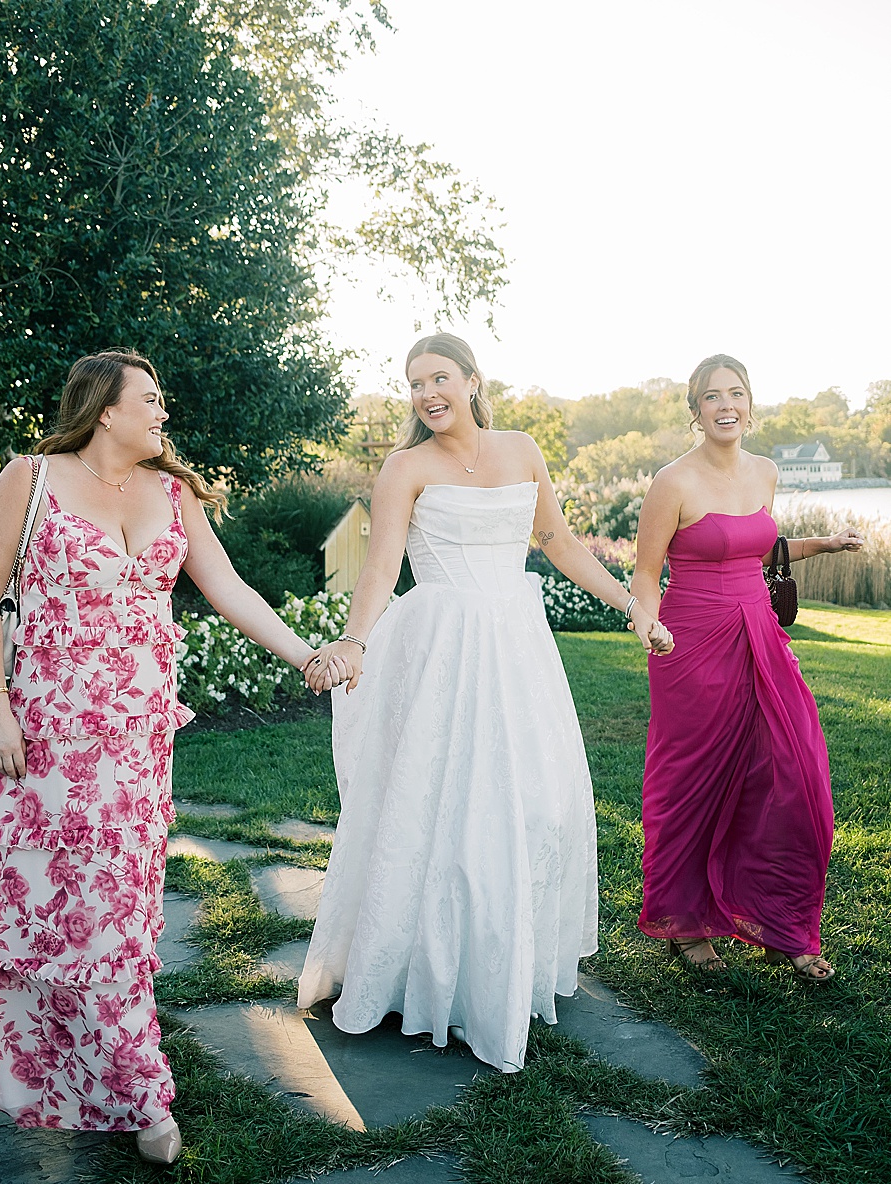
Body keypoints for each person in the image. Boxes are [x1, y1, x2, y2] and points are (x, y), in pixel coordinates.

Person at [0, 350, 343, 1164]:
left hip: (136, 741)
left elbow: (228, 589)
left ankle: (115, 1075)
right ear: (105, 409)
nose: (164, 414)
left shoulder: (173, 493)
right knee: (60, 911)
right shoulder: (28, 480)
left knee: (119, 913)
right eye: (152, 400)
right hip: (50, 732)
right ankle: (136, 1091)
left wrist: (304, 653)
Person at [297, 332, 672, 1074]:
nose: (427, 393)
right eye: (413, 383)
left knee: (532, 803)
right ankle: (420, 976)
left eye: (439, 377)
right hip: (441, 645)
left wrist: (632, 604)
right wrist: (354, 642)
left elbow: (559, 540)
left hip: (515, 644)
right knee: (434, 804)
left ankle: (504, 967)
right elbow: (379, 568)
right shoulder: (404, 467)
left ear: (472, 380)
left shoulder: (522, 448)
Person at [629, 354, 864, 980]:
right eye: (712, 396)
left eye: (736, 394)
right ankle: (684, 921)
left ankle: (782, 926)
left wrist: (822, 545)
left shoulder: (764, 471)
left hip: (759, 636)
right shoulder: (671, 482)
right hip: (691, 645)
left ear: (751, 404)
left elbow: (757, 550)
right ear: (695, 410)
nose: (725, 405)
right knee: (692, 781)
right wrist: (645, 622)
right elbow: (646, 574)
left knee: (794, 771)